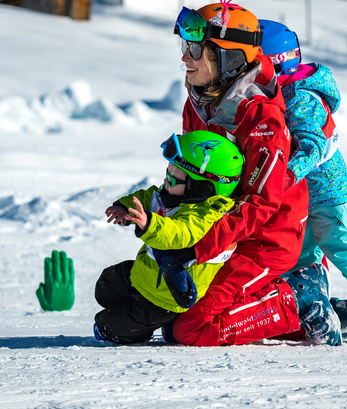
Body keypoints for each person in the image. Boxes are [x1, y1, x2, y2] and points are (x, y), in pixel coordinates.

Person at [169, 0, 341, 346]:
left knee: (188, 330)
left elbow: (261, 204)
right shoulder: (199, 101)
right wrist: (160, 222)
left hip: (266, 240)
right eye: (185, 46)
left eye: (195, 48)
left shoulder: (261, 117)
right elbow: (188, 175)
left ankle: (299, 299)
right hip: (224, 234)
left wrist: (192, 251)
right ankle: (309, 314)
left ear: (226, 56)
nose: (184, 57)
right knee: (167, 310)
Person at [259, 19, 347, 342]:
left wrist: (287, 174)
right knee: (299, 260)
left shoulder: (301, 97)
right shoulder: (282, 93)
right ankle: (324, 311)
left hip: (329, 195)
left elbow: (312, 145)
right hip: (298, 198)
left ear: (274, 63)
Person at [93, 130, 244, 344]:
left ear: (200, 186)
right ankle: (136, 309)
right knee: (105, 286)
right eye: (169, 170)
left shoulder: (207, 216)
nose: (166, 178)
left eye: (174, 175)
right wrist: (124, 206)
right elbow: (149, 197)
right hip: (143, 274)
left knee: (108, 326)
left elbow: (180, 234)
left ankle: (145, 327)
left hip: (165, 298)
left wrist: (150, 224)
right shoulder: (173, 196)